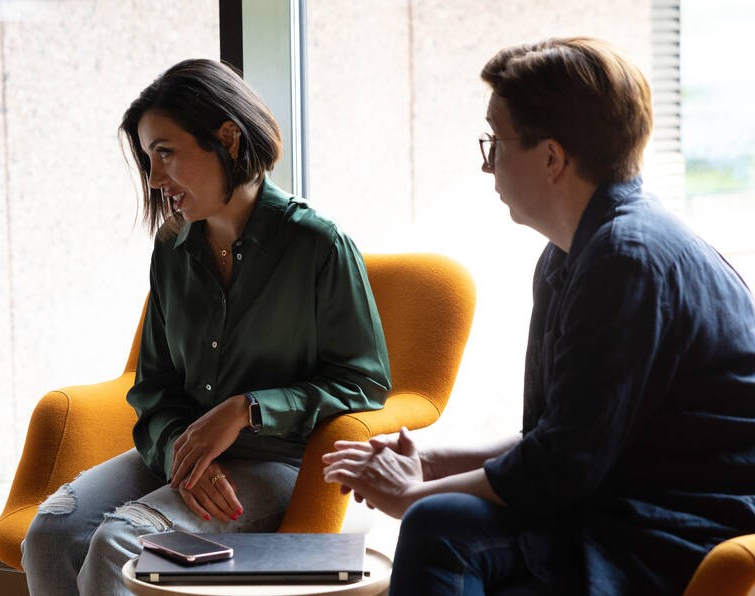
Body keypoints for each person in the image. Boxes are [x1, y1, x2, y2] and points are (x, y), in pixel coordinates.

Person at [322, 37, 755, 594]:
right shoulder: (573, 252)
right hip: (615, 504)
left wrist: (412, 495)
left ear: (552, 158)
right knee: (444, 524)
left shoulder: (626, 258)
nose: (486, 165)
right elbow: (556, 437)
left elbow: (562, 465)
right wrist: (429, 460)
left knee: (438, 524)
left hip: (679, 529)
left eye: (495, 143)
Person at [20, 58, 392, 595]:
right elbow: (155, 388)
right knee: (50, 532)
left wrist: (247, 410)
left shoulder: (317, 245)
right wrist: (178, 449)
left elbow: (364, 383)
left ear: (228, 139)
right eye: (149, 159)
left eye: (165, 153)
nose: (155, 179)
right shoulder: (172, 248)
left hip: (280, 463)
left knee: (122, 541)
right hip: (184, 453)